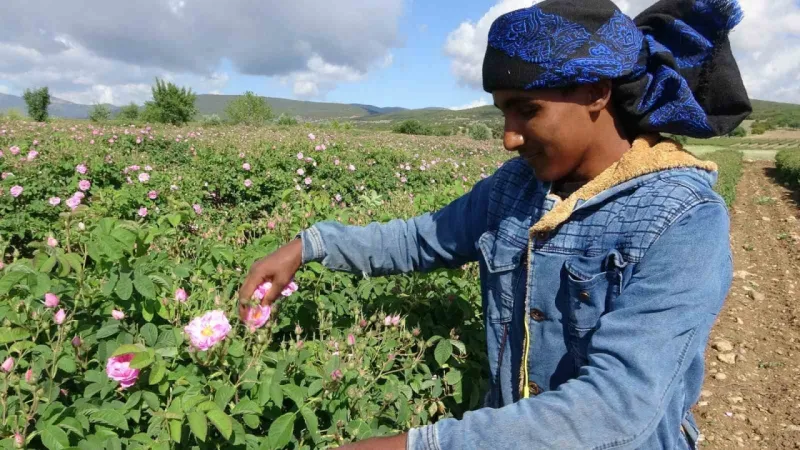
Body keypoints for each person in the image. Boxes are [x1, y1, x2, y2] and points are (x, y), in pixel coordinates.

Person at [238, 0, 751, 448]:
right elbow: (420, 239)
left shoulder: (684, 221)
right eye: (503, 113)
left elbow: (617, 408)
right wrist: (311, 245)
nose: (509, 136)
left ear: (597, 92)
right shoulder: (516, 189)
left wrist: (421, 446)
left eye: (526, 110)